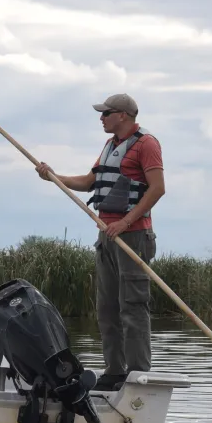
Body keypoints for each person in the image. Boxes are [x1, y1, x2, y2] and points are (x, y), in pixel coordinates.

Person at [33, 93, 165, 390]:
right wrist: (54, 177)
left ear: (123, 115)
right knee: (106, 307)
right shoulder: (110, 146)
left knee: (132, 306)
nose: (101, 118)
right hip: (106, 234)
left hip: (133, 235)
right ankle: (114, 371)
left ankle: (136, 373)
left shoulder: (147, 144)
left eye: (106, 113)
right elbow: (89, 182)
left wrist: (125, 222)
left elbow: (157, 189)